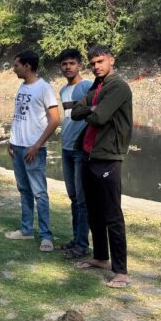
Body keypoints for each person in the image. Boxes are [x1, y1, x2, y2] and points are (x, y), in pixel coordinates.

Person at [72, 46, 133, 289]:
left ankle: (121, 272)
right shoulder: (96, 86)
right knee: (94, 211)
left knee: (112, 214)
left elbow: (99, 118)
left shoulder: (118, 87)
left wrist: (91, 110)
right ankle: (100, 257)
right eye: (93, 62)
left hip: (108, 157)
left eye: (100, 61)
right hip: (90, 155)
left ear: (111, 60)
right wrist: (91, 108)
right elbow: (76, 112)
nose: (96, 66)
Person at [4, 51, 60, 252]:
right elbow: (19, 116)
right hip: (17, 147)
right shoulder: (22, 87)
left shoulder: (44, 88)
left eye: (17, 65)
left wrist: (37, 145)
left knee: (39, 193)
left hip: (33, 149)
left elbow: (55, 120)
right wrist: (11, 139)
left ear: (27, 66)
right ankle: (26, 230)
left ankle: (46, 236)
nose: (14, 68)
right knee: (24, 190)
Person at [57, 49, 93, 259]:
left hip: (81, 150)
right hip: (66, 148)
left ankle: (82, 245)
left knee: (82, 199)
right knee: (73, 197)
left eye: (72, 63)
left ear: (79, 65)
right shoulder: (63, 90)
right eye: (64, 64)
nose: (68, 67)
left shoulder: (87, 86)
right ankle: (75, 238)